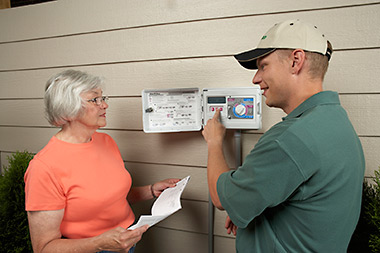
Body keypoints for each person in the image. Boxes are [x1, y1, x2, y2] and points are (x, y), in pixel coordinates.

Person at [202, 19, 365, 252]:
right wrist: (251, 210)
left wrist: (214, 142)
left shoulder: (290, 138)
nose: (255, 79)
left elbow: (220, 197)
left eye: (263, 66)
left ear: (295, 61)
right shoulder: (336, 120)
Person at [24, 69, 180, 253]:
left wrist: (151, 190)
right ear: (67, 108)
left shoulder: (105, 141)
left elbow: (109, 198)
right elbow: (44, 248)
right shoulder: (44, 167)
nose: (104, 105)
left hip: (126, 242)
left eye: (103, 98)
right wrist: (99, 244)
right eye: (94, 99)